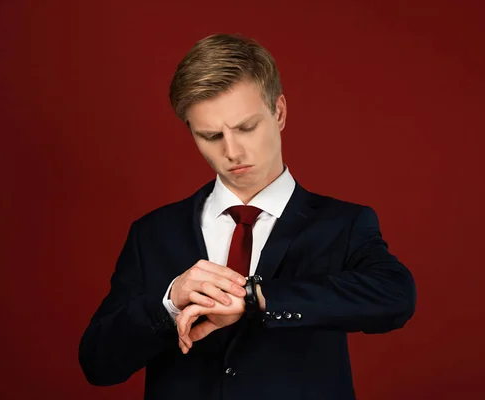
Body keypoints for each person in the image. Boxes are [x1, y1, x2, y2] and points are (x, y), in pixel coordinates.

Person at [78, 33, 416, 400]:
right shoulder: (153, 233)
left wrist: (255, 296)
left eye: (246, 127)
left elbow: (395, 297)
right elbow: (98, 364)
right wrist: (170, 302)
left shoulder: (344, 224)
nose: (232, 151)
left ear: (279, 112)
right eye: (210, 135)